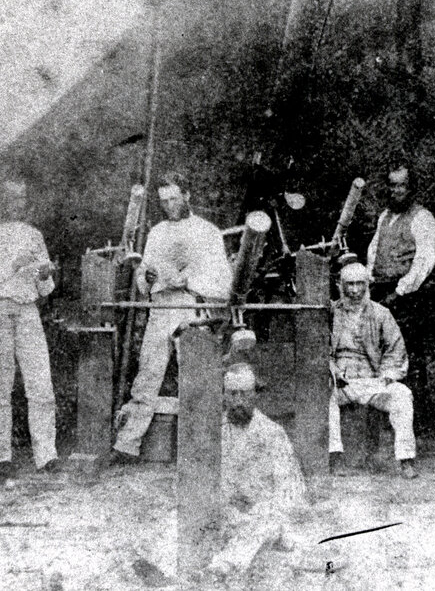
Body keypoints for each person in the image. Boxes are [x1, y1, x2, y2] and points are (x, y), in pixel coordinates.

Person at [113, 171, 233, 459]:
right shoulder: (157, 233)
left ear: (187, 196)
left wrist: (188, 280)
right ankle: (128, 444)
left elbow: (223, 283)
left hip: (191, 306)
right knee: (148, 374)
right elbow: (144, 280)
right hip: (160, 308)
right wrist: (150, 277)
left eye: (174, 199)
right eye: (164, 201)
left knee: (197, 375)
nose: (169, 206)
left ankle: (205, 447)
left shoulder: (208, 232)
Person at [0, 179, 60, 481]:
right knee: (1, 385)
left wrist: (45, 274)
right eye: (12, 197)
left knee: (40, 382)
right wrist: (13, 265)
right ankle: (2, 456)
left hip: (27, 309)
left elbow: (46, 288)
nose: (18, 204)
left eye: (22, 197)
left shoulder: (34, 235)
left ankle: (46, 454)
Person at [208, 363, 308, 577]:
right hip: (225, 510)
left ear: (255, 395)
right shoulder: (212, 431)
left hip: (262, 513)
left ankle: (226, 565)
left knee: (264, 521)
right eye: (232, 394)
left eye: (244, 394)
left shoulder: (273, 433)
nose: (238, 401)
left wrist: (259, 510)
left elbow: (289, 490)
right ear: (224, 395)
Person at [328, 262, 418, 479]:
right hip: (343, 383)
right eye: (350, 284)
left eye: (360, 284)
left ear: (367, 285)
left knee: (403, 395)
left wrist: (387, 376)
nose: (355, 290)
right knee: (324, 398)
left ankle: (406, 459)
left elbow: (396, 349)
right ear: (340, 285)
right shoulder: (330, 314)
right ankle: (336, 458)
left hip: (373, 381)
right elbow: (320, 351)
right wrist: (332, 370)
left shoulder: (381, 313)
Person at [366, 163, 435, 408]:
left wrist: (400, 291)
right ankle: (386, 410)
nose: (396, 191)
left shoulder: (422, 218)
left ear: (412, 188)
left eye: (402, 185)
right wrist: (369, 282)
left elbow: (424, 261)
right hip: (381, 292)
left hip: (407, 297)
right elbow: (374, 251)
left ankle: (418, 415)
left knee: (409, 355)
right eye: (392, 185)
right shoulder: (384, 217)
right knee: (380, 353)